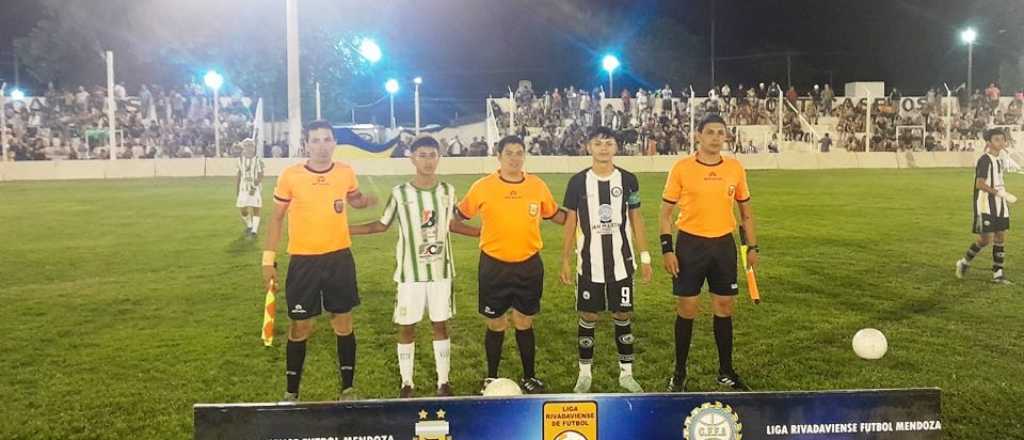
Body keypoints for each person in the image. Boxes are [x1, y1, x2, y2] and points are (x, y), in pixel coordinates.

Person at [349, 135, 479, 397]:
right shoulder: (400, 193)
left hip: (441, 272)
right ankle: (406, 382)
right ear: (412, 158)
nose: (428, 161)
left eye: (432, 155)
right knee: (406, 327)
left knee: (440, 324)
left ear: (439, 157)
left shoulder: (447, 191)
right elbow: (381, 225)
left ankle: (443, 381)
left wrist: (481, 233)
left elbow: (451, 223)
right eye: (422, 155)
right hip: (410, 274)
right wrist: (345, 229)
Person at [262, 120, 378, 402]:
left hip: (339, 259)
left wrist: (365, 201)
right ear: (306, 144)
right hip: (304, 262)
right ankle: (291, 393)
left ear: (334, 143)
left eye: (327, 140)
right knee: (301, 326)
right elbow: (276, 218)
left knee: (343, 322)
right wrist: (268, 259)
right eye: (315, 140)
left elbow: (354, 199)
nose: (322, 146)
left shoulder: (345, 173)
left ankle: (348, 389)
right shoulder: (291, 176)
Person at [456, 135, 567, 394]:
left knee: (524, 322)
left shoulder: (537, 186)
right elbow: (457, 217)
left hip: (528, 264)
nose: (515, 158)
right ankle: (491, 377)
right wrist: (479, 234)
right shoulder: (483, 186)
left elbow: (555, 215)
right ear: (499, 156)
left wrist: (580, 215)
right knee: (496, 323)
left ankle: (530, 376)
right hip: (494, 266)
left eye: (519, 153)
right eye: (509, 153)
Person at [660, 114, 759, 392]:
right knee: (687, 308)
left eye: (721, 132)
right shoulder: (681, 168)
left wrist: (753, 245)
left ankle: (725, 371)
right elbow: (666, 214)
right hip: (690, 245)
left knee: (724, 306)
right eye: (710, 132)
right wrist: (667, 249)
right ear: (698, 137)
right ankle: (679, 372)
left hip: (722, 246)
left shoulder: (735, 168)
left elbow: (746, 213)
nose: (716, 137)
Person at [559, 127, 653, 393]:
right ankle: (585, 373)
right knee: (589, 315)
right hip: (589, 264)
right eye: (598, 143)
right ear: (589, 147)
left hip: (621, 263)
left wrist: (645, 257)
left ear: (616, 148)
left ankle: (626, 373)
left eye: (608, 143)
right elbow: (570, 222)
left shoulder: (628, 180)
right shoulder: (577, 182)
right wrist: (565, 258)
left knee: (622, 314)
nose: (603, 148)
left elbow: (636, 219)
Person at [956, 128, 1015, 284]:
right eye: (996, 139)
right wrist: (999, 193)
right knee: (985, 239)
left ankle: (998, 274)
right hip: (985, 205)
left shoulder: (999, 160)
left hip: (1000, 203)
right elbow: (980, 184)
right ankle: (964, 262)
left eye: (1002, 139)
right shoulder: (985, 159)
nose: (1000, 142)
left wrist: (1004, 195)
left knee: (1001, 236)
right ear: (989, 142)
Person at [235, 138, 264, 237]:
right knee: (243, 209)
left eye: (251, 146)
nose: (249, 148)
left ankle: (254, 231)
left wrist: (254, 187)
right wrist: (237, 189)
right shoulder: (239, 160)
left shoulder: (257, 160)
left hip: (254, 188)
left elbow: (260, 175)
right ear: (244, 148)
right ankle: (249, 225)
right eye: (247, 146)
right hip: (243, 188)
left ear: (254, 148)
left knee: (256, 208)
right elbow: (239, 175)